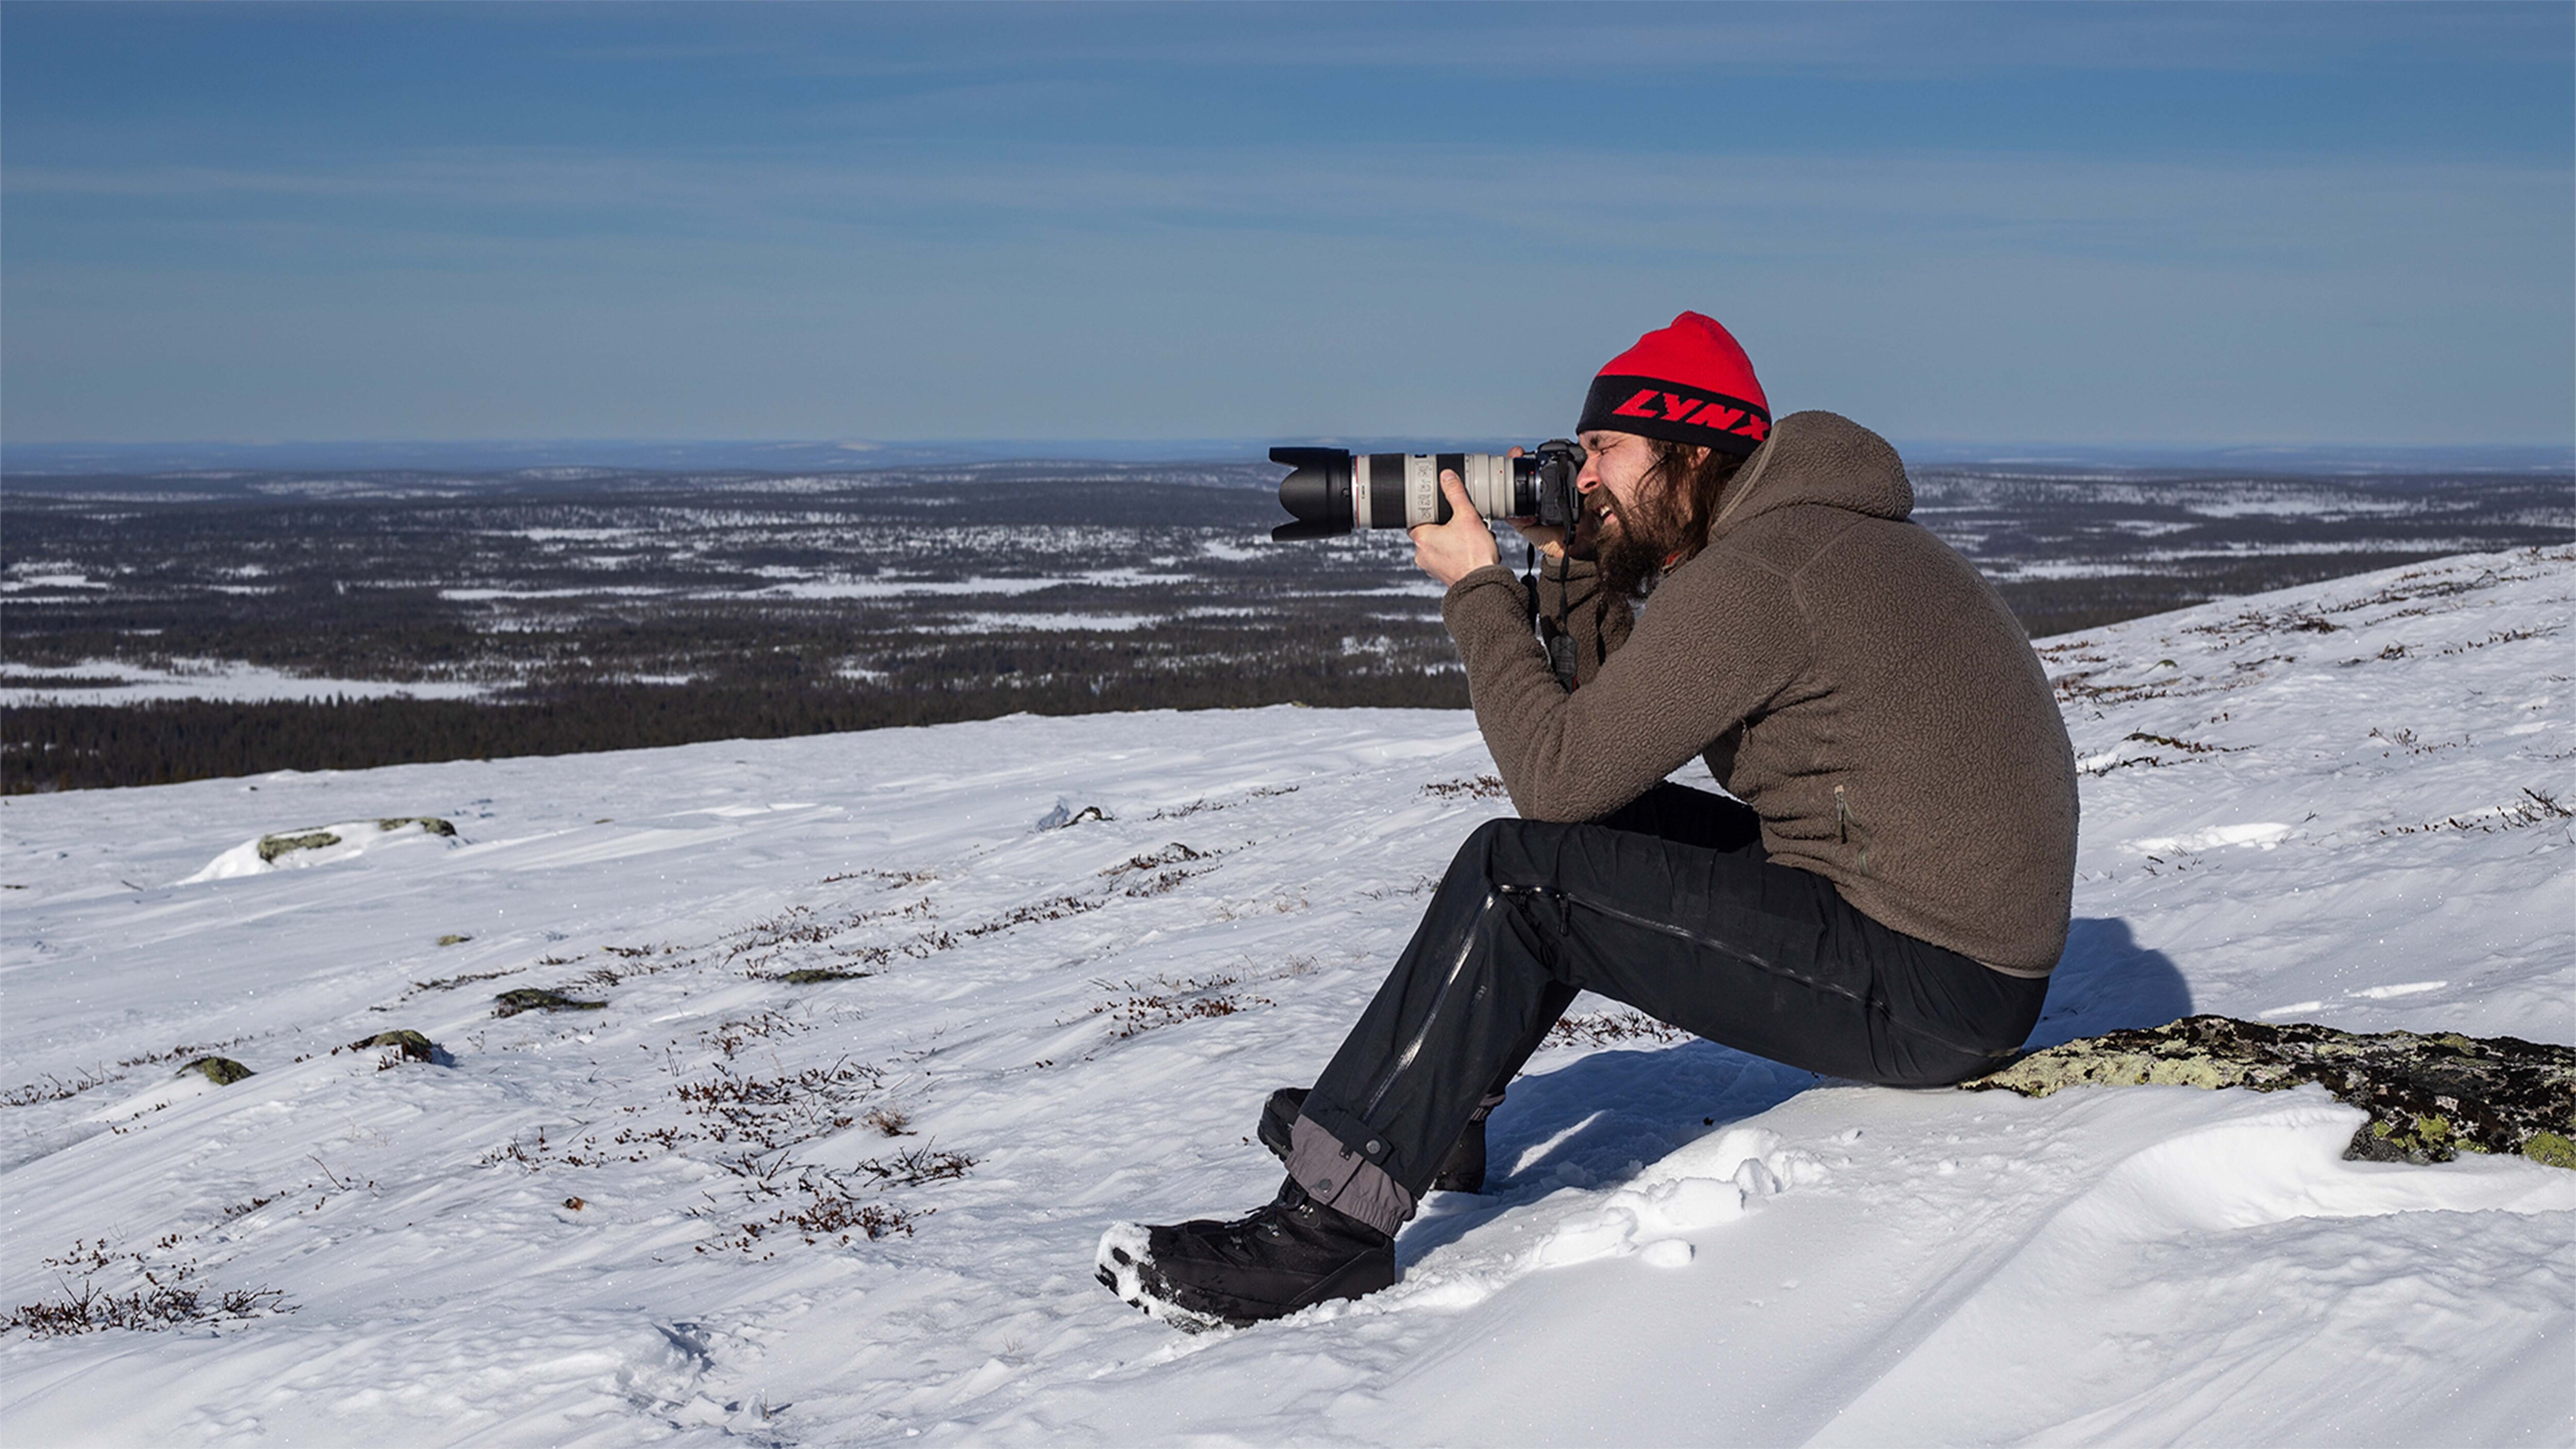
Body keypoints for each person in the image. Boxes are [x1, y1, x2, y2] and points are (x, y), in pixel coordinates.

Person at [1095, 311, 2078, 1331]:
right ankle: (1419, 1120)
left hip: (1933, 987)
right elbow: (1606, 763)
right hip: (1917, 933)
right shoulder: (1797, 541)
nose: (1588, 472)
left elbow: (1557, 779)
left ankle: (1316, 1244)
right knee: (1583, 848)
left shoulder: (1759, 576)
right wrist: (1569, 566)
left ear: (1690, 454)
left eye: (1607, 450)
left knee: (1519, 873)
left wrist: (1479, 589)